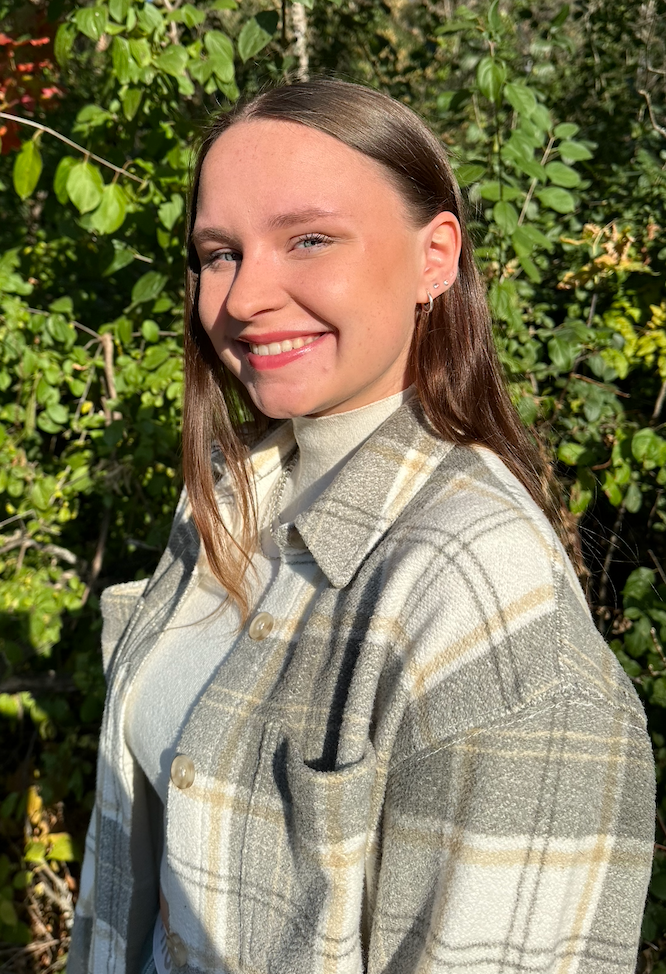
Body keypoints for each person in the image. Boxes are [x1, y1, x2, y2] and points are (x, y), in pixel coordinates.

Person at [70, 79, 655, 974]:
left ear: (436, 257)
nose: (246, 296)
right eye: (219, 253)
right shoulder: (231, 501)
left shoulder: (479, 592)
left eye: (308, 239)